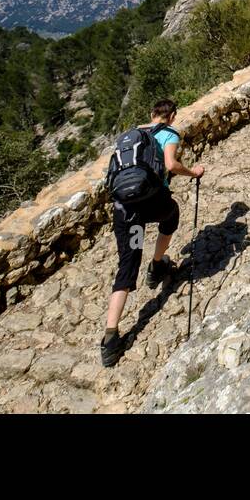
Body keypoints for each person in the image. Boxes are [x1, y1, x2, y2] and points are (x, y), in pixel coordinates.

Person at [101, 98, 204, 367]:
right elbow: (171, 165)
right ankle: (157, 265)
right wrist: (193, 172)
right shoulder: (170, 134)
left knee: (127, 265)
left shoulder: (134, 134)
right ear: (172, 117)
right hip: (152, 203)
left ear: (151, 114)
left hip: (127, 210)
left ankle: (110, 338)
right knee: (170, 216)